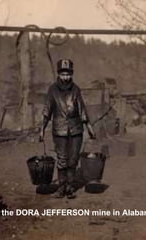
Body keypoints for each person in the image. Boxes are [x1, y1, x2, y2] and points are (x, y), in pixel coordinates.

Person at [39, 59, 96, 199]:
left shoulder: (76, 89)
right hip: (59, 130)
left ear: (72, 74)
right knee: (62, 159)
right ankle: (61, 187)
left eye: (68, 74)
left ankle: (70, 187)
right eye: (63, 74)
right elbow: (47, 111)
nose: (66, 77)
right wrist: (41, 129)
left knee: (73, 159)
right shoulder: (52, 90)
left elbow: (82, 110)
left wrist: (89, 127)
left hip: (76, 129)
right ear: (59, 74)